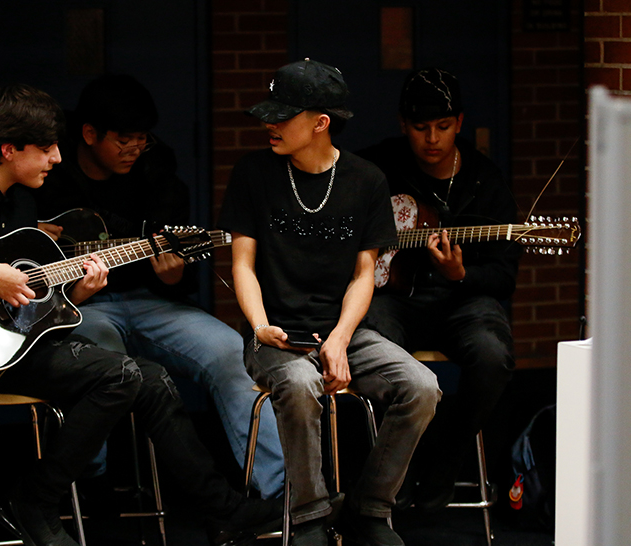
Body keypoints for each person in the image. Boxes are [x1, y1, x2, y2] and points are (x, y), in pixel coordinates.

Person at [0, 84, 281, 546]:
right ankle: (35, 499)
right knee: (121, 376)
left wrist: (78, 287)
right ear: (10, 149)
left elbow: (33, 295)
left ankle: (227, 509)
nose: (57, 159)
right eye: (46, 148)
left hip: (16, 341)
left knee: (149, 379)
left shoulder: (22, 200)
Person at [217, 59, 441, 546]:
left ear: (320, 123)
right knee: (299, 383)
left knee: (421, 386)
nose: (269, 124)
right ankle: (310, 517)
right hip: (274, 334)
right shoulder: (253, 173)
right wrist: (258, 326)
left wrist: (340, 339)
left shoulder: (366, 180)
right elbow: (242, 265)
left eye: (282, 115)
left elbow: (365, 275)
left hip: (343, 330)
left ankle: (370, 509)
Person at [32, 74, 285, 499]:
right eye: (123, 139)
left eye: (142, 139)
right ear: (89, 134)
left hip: (152, 300)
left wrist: (173, 273)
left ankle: (278, 495)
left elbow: (178, 270)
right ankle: (90, 491)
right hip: (81, 306)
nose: (135, 148)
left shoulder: (156, 168)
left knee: (229, 352)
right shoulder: (50, 171)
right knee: (97, 363)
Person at [356, 67, 521, 513]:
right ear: (402, 125)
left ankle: (443, 463)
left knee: (493, 356)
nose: (432, 138)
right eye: (421, 127)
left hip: (463, 301)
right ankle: (386, 476)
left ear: (460, 124)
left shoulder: (486, 181)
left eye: (443, 127)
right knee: (370, 348)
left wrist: (461, 275)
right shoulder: (376, 167)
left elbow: (505, 276)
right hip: (393, 299)